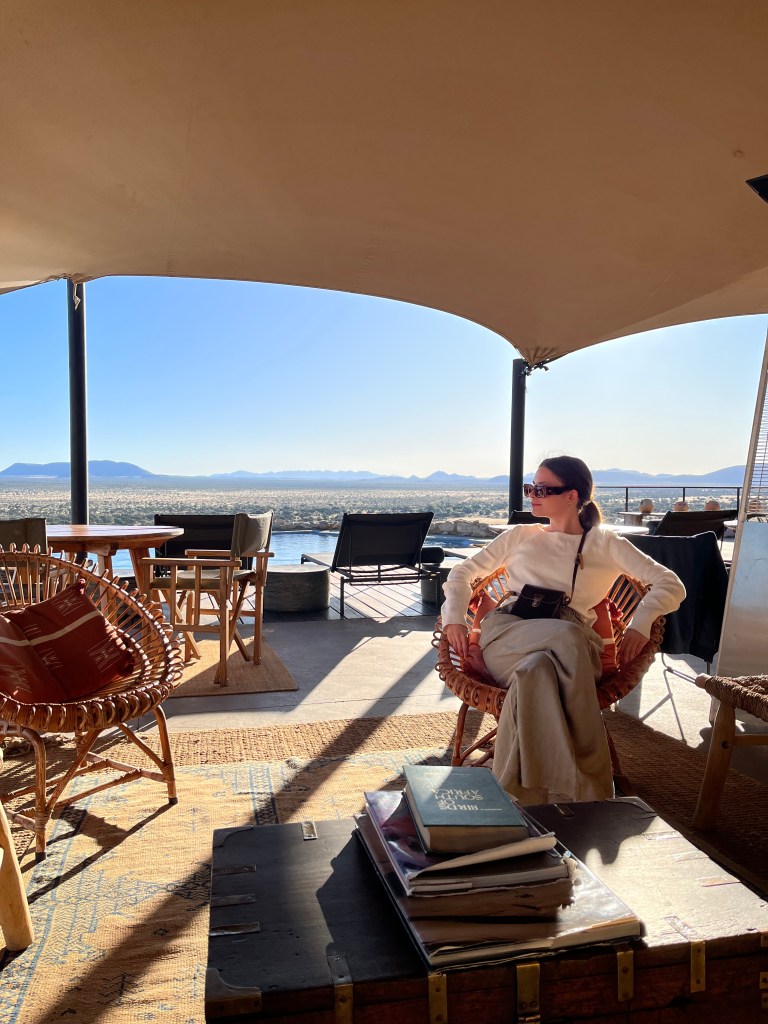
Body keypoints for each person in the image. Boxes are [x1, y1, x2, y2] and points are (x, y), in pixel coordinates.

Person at [441, 456, 685, 805]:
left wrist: (641, 622)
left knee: (536, 672)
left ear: (572, 496)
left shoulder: (605, 543)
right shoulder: (519, 536)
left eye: (542, 489)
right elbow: (461, 573)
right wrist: (454, 616)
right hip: (508, 635)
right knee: (564, 639)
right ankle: (593, 789)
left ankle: (518, 796)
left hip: (572, 648)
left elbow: (670, 584)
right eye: (530, 488)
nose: (532, 496)